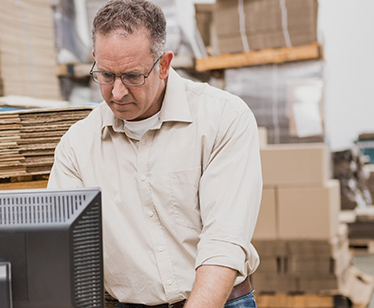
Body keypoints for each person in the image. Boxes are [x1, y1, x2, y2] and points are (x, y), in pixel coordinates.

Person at [47, 0, 263, 307]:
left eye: (133, 76)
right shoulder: (77, 147)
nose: (117, 92)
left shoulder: (223, 118)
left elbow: (223, 241)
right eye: (106, 75)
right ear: (95, 59)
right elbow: (61, 249)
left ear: (163, 65)